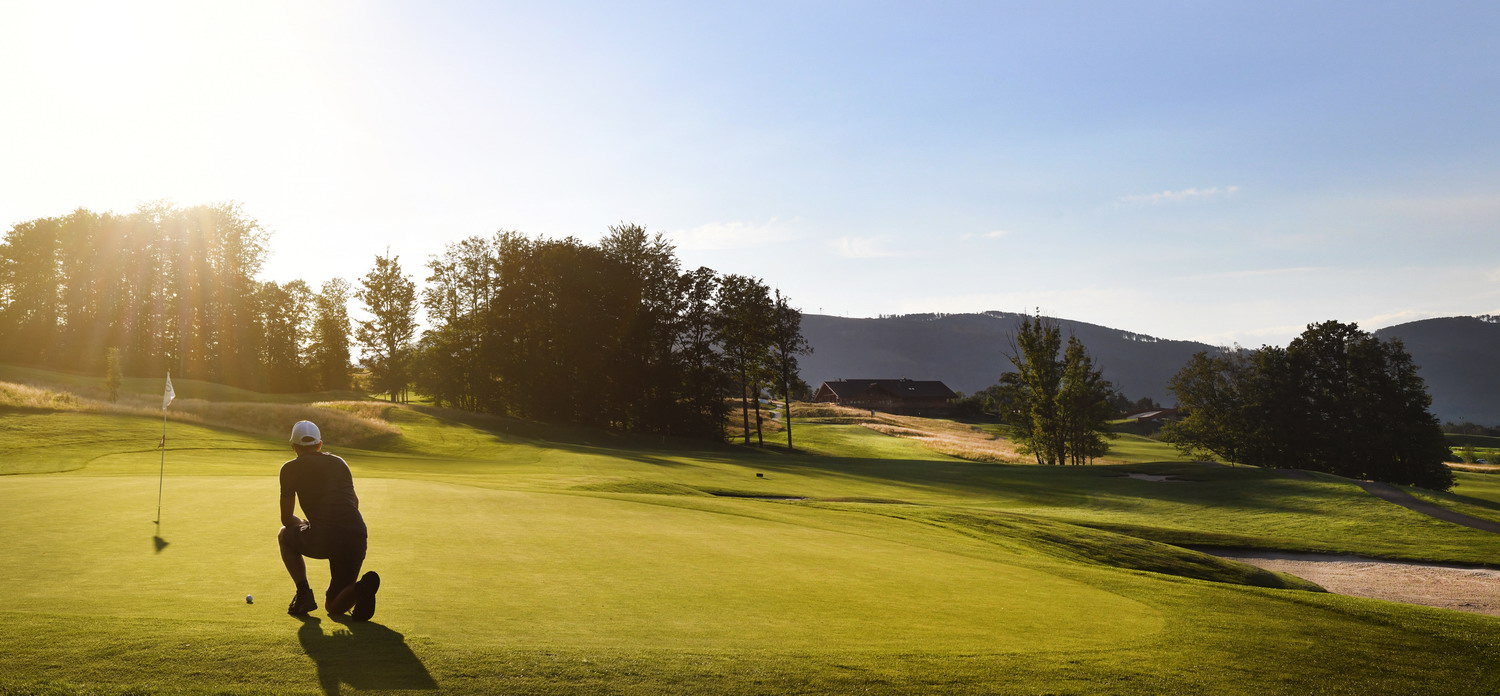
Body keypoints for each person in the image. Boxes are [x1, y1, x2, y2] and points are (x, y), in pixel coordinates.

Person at [278, 420, 380, 620]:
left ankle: (303, 593)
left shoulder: (289, 469)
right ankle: (361, 589)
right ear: (320, 444)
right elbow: (354, 503)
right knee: (334, 606)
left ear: (293, 447)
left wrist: (304, 525)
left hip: (323, 537)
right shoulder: (339, 462)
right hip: (355, 535)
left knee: (283, 535)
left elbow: (286, 518)